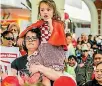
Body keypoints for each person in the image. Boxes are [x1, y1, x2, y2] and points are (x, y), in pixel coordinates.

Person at [17, 0, 67, 85]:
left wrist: (50, 23)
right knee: (41, 76)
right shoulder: (39, 23)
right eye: (42, 10)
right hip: (42, 50)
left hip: (54, 50)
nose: (45, 12)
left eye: (48, 9)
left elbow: (57, 36)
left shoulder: (58, 24)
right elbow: (29, 29)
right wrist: (21, 37)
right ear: (39, 12)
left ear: (53, 11)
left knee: (51, 74)